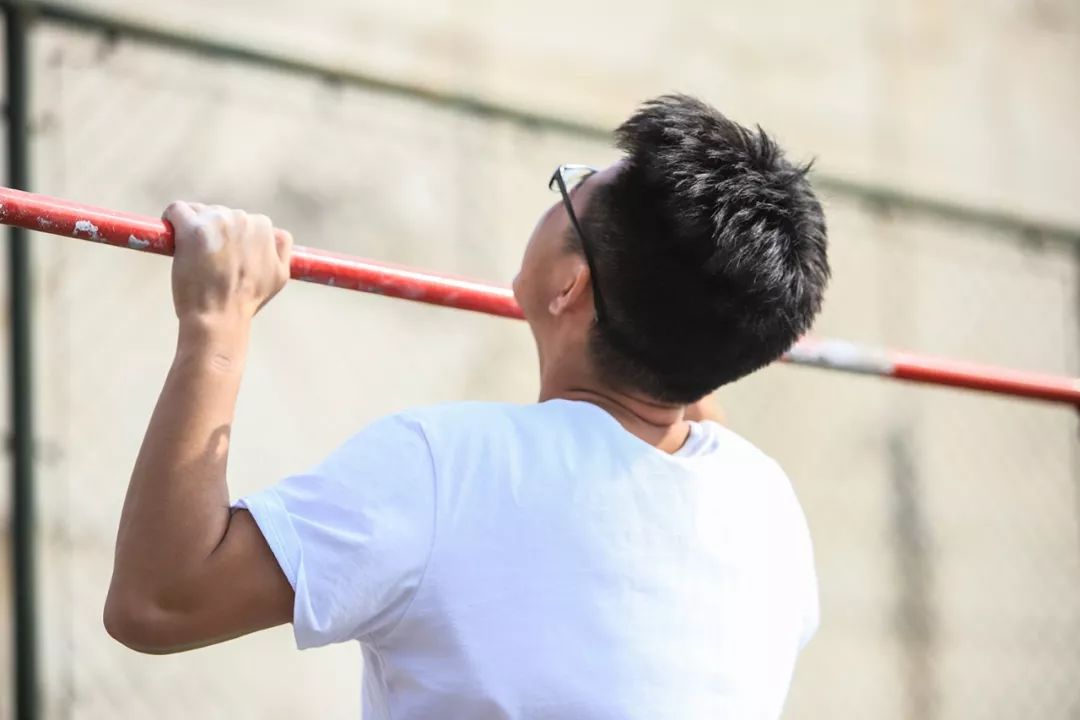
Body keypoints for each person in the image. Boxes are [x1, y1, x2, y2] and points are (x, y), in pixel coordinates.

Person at [104, 94, 829, 719]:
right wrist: (699, 315)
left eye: (572, 186)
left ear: (569, 288)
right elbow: (685, 391)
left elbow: (162, 602)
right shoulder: (765, 506)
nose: (560, 194)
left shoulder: (447, 468)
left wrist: (216, 323)